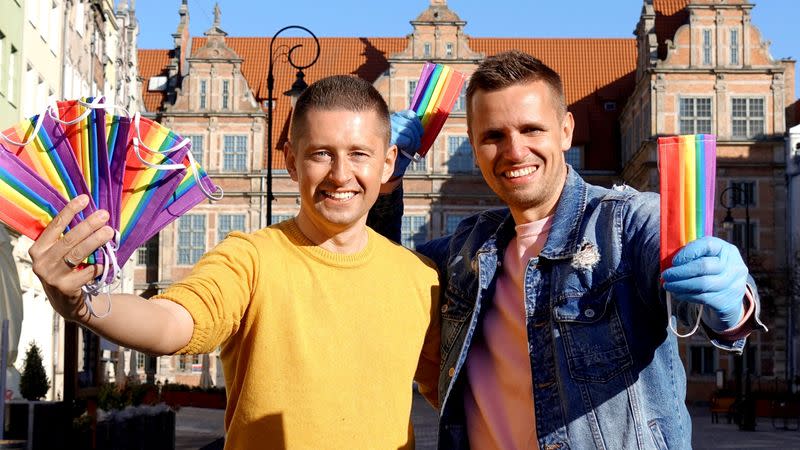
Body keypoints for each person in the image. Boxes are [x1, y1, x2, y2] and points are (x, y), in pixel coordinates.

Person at [373, 51, 767, 449]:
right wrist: (382, 185)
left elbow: (691, 275)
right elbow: (376, 272)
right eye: (493, 136)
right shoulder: (466, 247)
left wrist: (734, 302)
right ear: (473, 147)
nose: (514, 151)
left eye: (532, 130)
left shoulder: (627, 222)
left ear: (565, 131)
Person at [30, 75, 441, 449]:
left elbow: (462, 390)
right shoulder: (249, 258)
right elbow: (175, 322)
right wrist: (84, 306)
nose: (340, 173)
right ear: (291, 160)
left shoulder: (420, 278)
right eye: (321, 153)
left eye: (358, 154)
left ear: (387, 163)